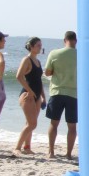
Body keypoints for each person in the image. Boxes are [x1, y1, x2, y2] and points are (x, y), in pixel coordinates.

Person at [44, 31, 78, 159]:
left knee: (54, 123)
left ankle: (51, 152)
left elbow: (47, 72)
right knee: (72, 126)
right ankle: (68, 154)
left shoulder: (54, 53)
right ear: (76, 41)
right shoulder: (81, 55)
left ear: (64, 40)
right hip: (73, 93)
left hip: (57, 92)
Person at [14, 37, 45, 156]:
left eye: (40, 45)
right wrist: (30, 91)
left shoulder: (38, 61)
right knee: (32, 124)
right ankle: (17, 148)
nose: (40, 47)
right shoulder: (26, 60)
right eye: (38, 45)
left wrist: (43, 96)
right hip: (27, 95)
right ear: (31, 47)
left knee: (30, 123)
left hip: (37, 96)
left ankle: (27, 147)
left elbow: (39, 81)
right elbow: (19, 76)